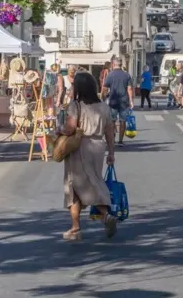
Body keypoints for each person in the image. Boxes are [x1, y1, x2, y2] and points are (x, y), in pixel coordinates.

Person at [61, 71, 117, 241]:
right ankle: (106, 215)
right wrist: (111, 153)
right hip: (98, 147)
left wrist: (59, 131)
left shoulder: (76, 106)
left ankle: (76, 228)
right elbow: (110, 133)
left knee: (74, 186)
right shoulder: (104, 107)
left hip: (79, 147)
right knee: (94, 180)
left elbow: (70, 129)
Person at [102, 59, 134, 145]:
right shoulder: (126, 75)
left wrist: (103, 98)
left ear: (113, 64)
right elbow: (129, 88)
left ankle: (112, 139)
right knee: (122, 121)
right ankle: (121, 141)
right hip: (124, 101)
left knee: (112, 121)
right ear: (121, 64)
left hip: (113, 101)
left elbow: (105, 88)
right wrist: (131, 100)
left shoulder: (110, 75)